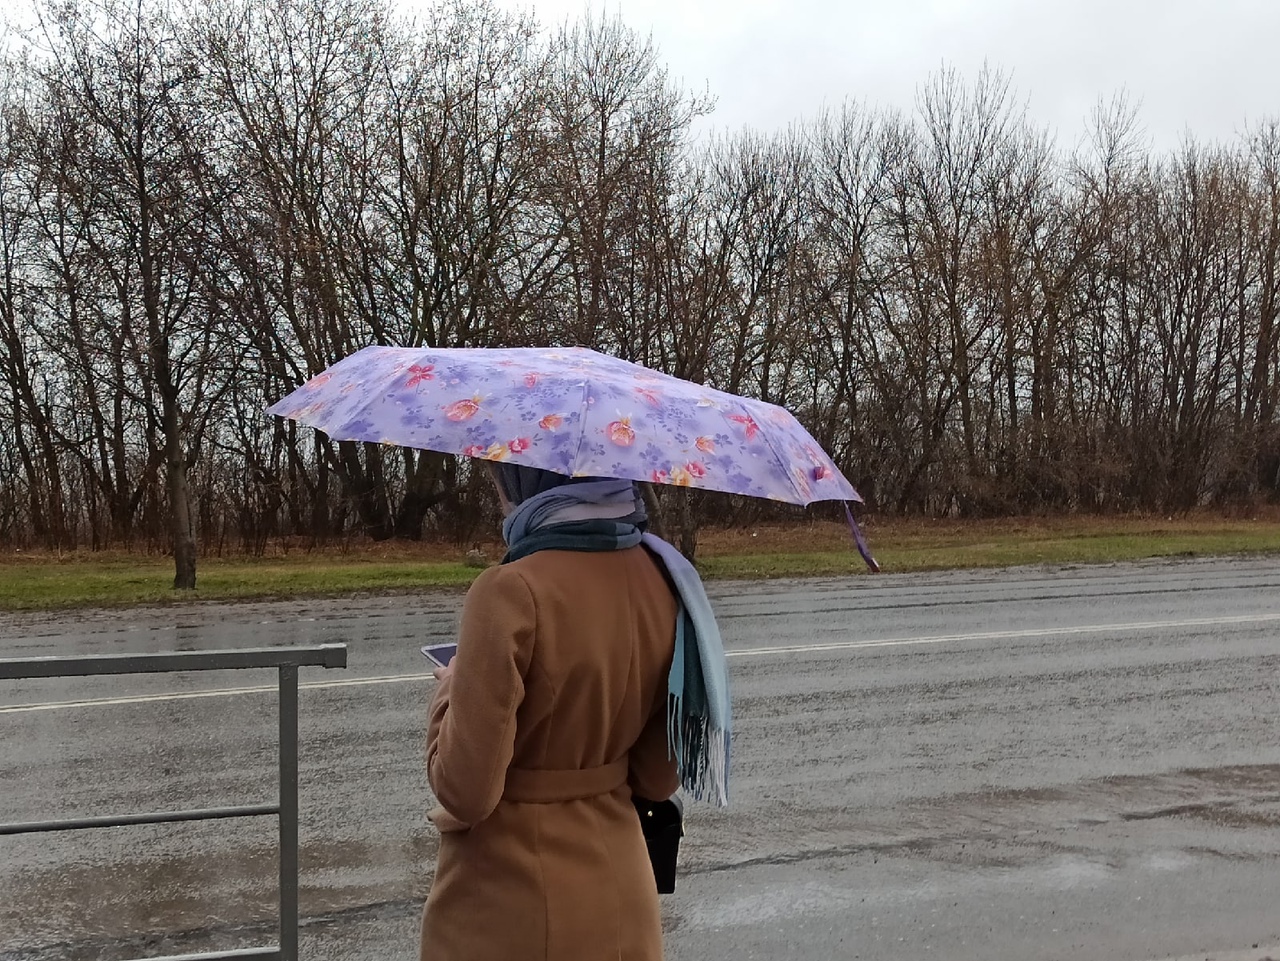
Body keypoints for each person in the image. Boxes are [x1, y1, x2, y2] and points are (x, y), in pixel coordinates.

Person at [420, 464, 731, 961]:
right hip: (624, 890)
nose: (495, 487)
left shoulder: (508, 590)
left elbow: (466, 791)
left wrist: (452, 689)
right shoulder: (666, 581)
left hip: (513, 901)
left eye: (500, 473)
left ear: (524, 478)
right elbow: (656, 777)